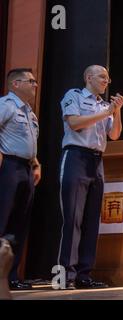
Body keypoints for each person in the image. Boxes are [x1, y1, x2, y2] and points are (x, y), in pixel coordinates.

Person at [58, 65, 123, 289]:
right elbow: (74, 123)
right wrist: (106, 112)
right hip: (76, 156)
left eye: (108, 77)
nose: (107, 81)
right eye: (102, 77)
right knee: (73, 218)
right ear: (89, 77)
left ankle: (84, 275)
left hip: (97, 160)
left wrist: (116, 111)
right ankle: (65, 275)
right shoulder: (73, 95)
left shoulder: (104, 105)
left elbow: (114, 135)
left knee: (92, 220)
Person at [0, 68, 41, 290]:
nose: (35, 84)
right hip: (9, 167)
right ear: (15, 84)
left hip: (26, 169)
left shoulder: (29, 112)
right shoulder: (6, 105)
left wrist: (36, 163)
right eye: (30, 81)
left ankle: (11, 276)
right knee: (3, 220)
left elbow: (29, 143)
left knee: (19, 224)